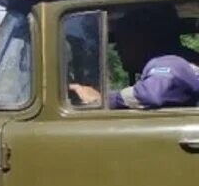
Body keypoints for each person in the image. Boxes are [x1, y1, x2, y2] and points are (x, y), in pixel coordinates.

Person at [71, 7, 199, 110]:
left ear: (144, 39)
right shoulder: (179, 60)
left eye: (122, 39)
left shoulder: (169, 62)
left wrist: (102, 99)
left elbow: (152, 94)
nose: (117, 48)